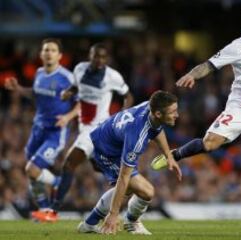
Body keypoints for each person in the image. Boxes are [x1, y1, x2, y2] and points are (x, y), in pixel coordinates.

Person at [151, 7, 241, 185]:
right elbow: (208, 65)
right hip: (240, 109)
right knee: (209, 144)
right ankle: (172, 155)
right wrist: (191, 75)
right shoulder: (237, 47)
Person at [76, 90, 182, 235]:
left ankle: (89, 224)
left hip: (109, 139)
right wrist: (114, 214)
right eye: (173, 112)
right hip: (105, 151)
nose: (177, 115)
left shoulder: (150, 108)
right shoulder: (137, 137)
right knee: (146, 191)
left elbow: (157, 130)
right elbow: (123, 177)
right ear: (158, 114)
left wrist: (169, 156)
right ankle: (131, 223)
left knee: (131, 188)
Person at [50, 43, 134, 213]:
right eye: (96, 56)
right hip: (83, 127)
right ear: (90, 56)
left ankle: (52, 210)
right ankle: (133, 196)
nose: (99, 60)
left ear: (107, 59)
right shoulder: (80, 69)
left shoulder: (112, 76)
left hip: (97, 128)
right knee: (101, 168)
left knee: (68, 165)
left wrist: (121, 116)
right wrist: (69, 92)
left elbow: (128, 96)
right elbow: (76, 87)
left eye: (103, 57)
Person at [4, 38, 79, 222]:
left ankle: (58, 183)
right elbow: (36, 93)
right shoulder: (38, 73)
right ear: (41, 54)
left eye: (53, 50)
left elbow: (80, 103)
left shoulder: (67, 78)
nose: (48, 53)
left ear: (60, 55)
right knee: (31, 173)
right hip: (38, 129)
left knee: (32, 169)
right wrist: (19, 88)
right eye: (46, 50)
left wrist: (68, 117)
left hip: (55, 132)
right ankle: (45, 210)